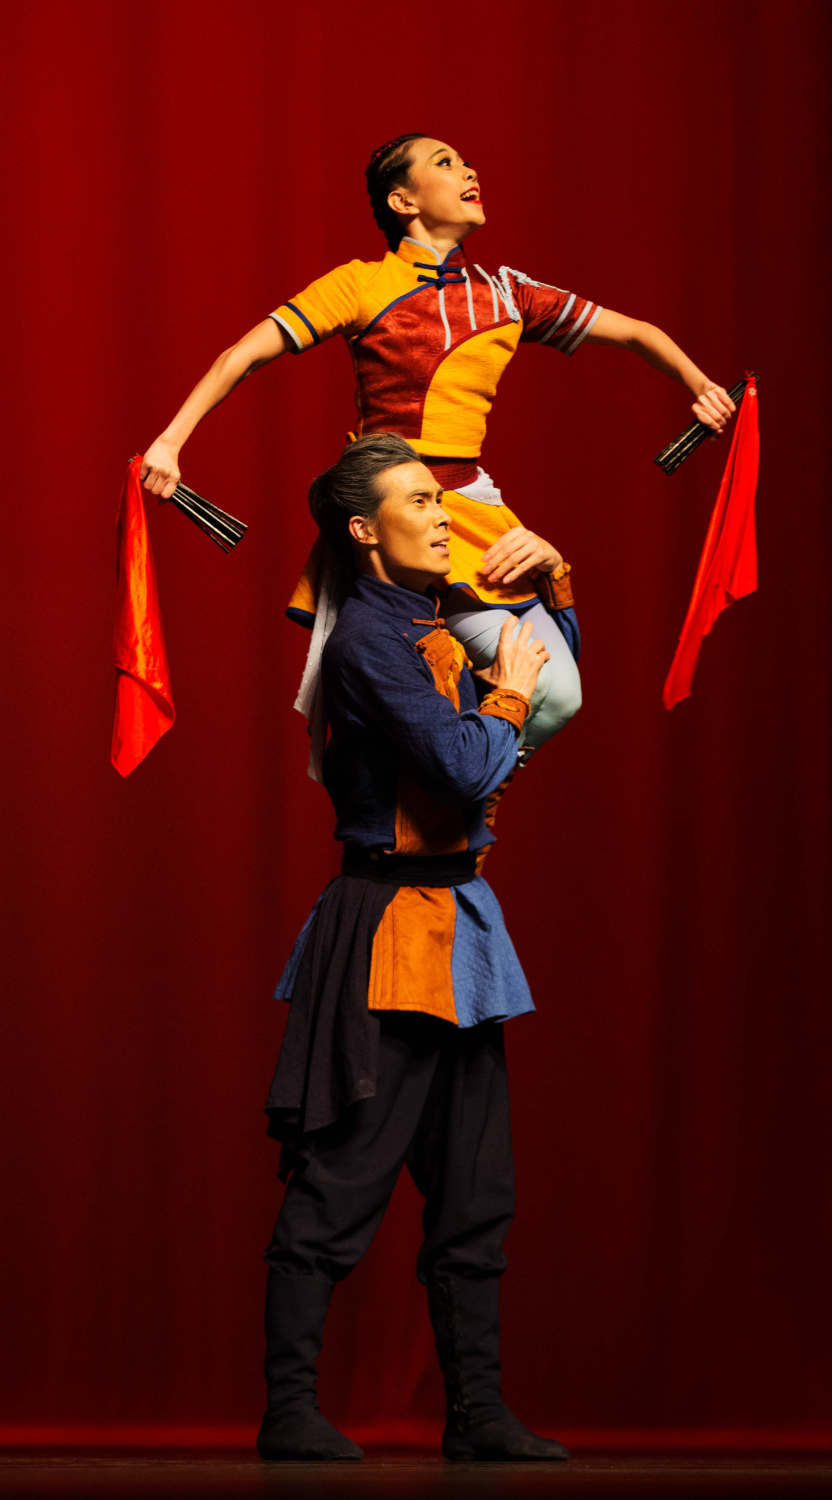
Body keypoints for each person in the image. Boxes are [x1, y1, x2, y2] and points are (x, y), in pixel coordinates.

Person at [139, 132, 736, 750]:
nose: (469, 171)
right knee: (411, 689)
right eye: (445, 163)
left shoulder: (506, 292)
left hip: (471, 505)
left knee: (558, 691)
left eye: (467, 162)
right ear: (403, 201)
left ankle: (465, 778)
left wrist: (699, 384)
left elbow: (637, 332)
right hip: (392, 510)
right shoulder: (362, 284)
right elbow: (242, 355)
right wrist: (170, 442)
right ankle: (445, 774)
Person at [258, 431, 571, 1463]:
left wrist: (550, 585)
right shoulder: (367, 642)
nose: (443, 516)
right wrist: (509, 692)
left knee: (477, 1194)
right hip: (388, 932)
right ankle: (289, 1411)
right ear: (364, 530)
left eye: (442, 500)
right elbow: (471, 766)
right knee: (341, 1180)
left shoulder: (442, 619)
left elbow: (545, 695)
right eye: (420, 501)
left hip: (461, 929)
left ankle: (476, 1414)